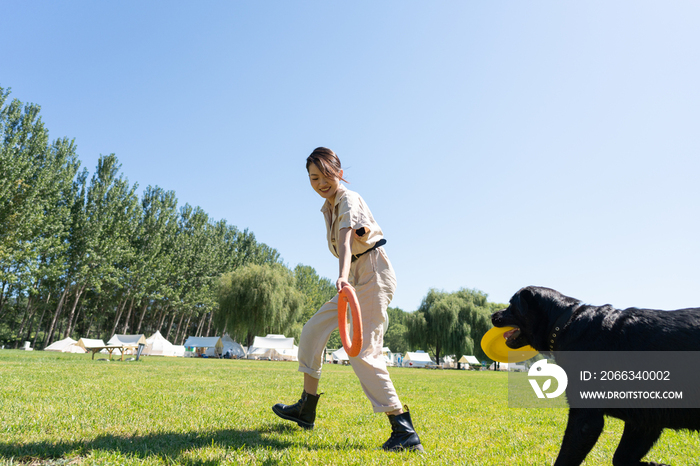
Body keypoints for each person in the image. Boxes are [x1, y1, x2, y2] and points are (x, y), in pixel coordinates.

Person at [272, 147, 423, 452]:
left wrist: (341, 275)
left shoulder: (348, 199)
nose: (320, 182)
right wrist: (346, 276)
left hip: (371, 274)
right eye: (313, 177)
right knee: (312, 330)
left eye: (326, 175)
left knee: (363, 351)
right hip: (353, 276)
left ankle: (404, 431)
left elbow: (345, 239)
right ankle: (306, 408)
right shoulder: (328, 206)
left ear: (338, 173)